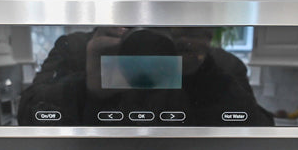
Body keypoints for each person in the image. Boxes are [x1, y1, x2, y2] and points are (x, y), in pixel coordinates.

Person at [18, 26, 274, 126]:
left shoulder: (217, 64)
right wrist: (87, 86)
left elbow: (260, 131)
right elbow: (28, 116)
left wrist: (202, 73)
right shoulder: (79, 50)